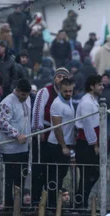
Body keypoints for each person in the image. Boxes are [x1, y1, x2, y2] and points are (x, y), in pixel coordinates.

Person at [31, 67, 69, 202]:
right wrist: (38, 131)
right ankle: (36, 200)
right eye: (58, 76)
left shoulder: (67, 94)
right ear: (54, 78)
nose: (60, 79)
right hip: (44, 135)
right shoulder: (45, 91)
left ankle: (52, 201)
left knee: (55, 172)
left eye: (63, 77)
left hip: (58, 137)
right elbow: (37, 111)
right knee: (39, 170)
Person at [0, 78, 31, 206]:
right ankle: (8, 205)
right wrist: (17, 135)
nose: (25, 97)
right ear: (17, 91)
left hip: (24, 147)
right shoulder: (7, 102)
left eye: (27, 94)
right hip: (10, 148)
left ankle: (19, 204)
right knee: (10, 179)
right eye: (23, 94)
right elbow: (2, 123)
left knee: (21, 177)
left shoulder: (27, 100)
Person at [47, 77, 75, 207]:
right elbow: (57, 128)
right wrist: (63, 146)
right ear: (60, 90)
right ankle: (52, 205)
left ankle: (55, 204)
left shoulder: (69, 102)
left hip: (66, 143)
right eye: (66, 91)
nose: (68, 94)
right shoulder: (57, 104)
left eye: (70, 91)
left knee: (61, 175)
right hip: (56, 145)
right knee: (55, 177)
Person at [75, 74, 102, 207]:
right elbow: (87, 124)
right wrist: (94, 143)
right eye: (99, 85)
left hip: (91, 141)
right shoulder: (86, 102)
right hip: (86, 143)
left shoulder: (92, 100)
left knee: (93, 174)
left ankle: (82, 200)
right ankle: (80, 202)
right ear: (92, 86)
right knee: (88, 175)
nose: (102, 87)